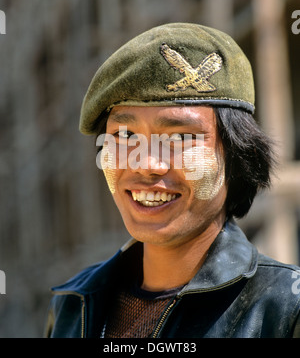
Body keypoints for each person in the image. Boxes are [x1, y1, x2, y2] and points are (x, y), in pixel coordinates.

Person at [44, 23, 300, 338]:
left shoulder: (286, 309)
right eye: (125, 136)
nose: (147, 165)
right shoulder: (73, 305)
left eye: (180, 137)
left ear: (237, 156)